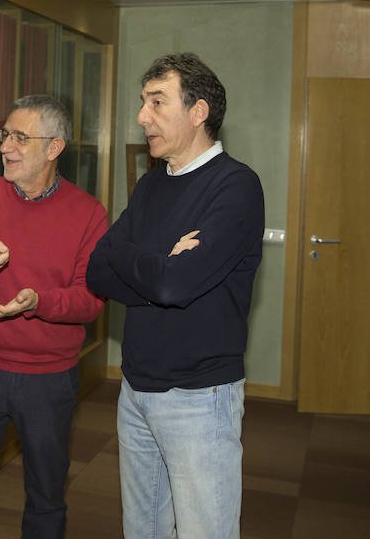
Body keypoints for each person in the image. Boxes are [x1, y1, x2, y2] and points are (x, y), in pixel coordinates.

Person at [86, 52, 264, 539]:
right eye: (143, 102)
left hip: (199, 397)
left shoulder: (237, 186)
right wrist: (163, 259)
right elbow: (98, 270)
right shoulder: (149, 186)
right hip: (135, 391)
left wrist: (149, 265)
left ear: (198, 111)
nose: (143, 117)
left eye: (157, 102)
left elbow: (174, 284)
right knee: (141, 531)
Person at [0, 94, 108, 539]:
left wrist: (40, 302)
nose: (5, 147)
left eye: (19, 137)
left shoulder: (89, 213)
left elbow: (91, 300)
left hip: (49, 380)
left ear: (54, 148)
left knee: (46, 498)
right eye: (4, 135)